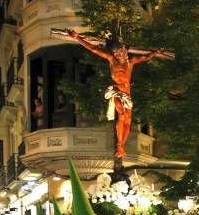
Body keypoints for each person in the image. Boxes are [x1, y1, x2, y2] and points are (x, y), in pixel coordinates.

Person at [67, 29, 173, 158]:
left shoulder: (131, 62)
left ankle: (121, 146)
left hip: (126, 94)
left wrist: (156, 52)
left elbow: (146, 56)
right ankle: (119, 146)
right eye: (116, 52)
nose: (118, 53)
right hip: (117, 92)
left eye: (120, 50)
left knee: (128, 120)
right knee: (122, 116)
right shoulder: (112, 60)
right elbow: (94, 49)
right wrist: (77, 37)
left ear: (125, 50)